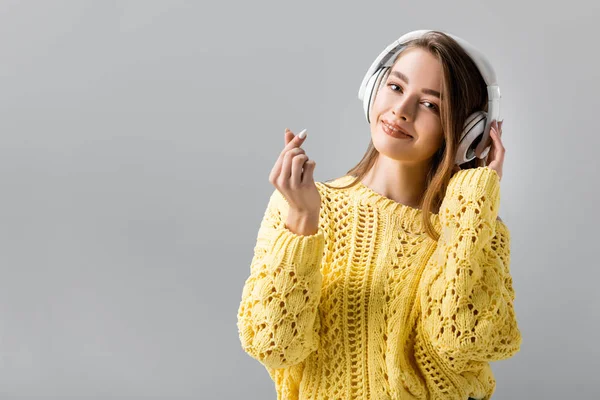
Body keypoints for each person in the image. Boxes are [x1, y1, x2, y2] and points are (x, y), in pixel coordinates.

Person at [236, 30, 522, 400]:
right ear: (373, 88)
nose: (402, 110)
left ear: (469, 133)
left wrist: (473, 202)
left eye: (431, 105)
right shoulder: (299, 206)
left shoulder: (475, 228)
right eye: (396, 87)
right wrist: (303, 225)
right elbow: (272, 346)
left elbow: (462, 341)